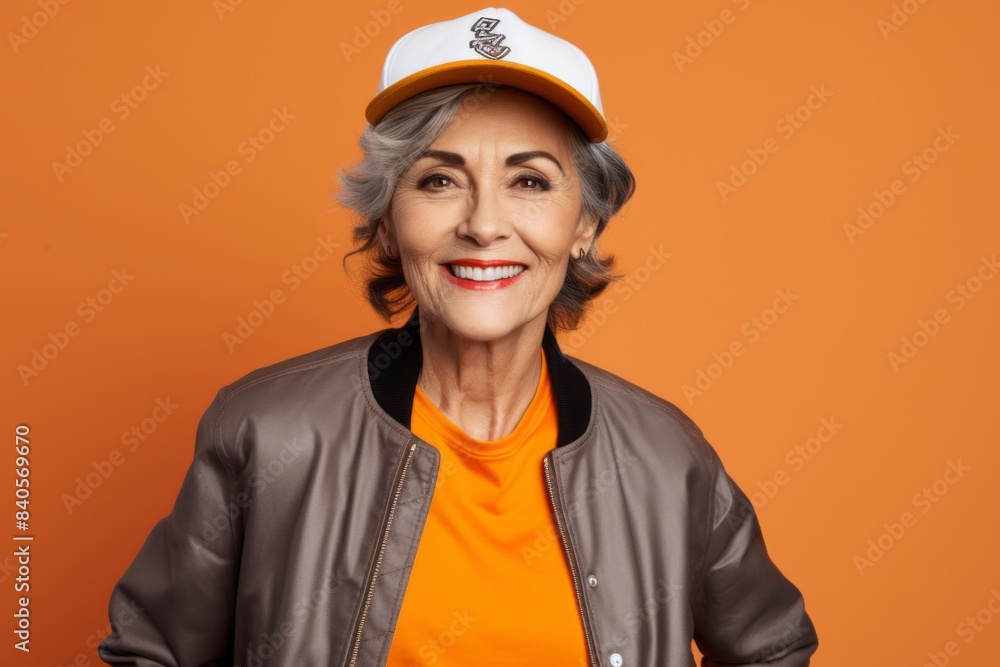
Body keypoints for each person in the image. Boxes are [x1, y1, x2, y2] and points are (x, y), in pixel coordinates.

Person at [99, 7, 818, 666]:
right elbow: (148, 651)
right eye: (439, 181)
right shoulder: (265, 431)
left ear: (585, 224)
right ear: (387, 216)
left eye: (530, 183)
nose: (483, 223)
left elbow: (774, 646)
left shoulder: (667, 458)